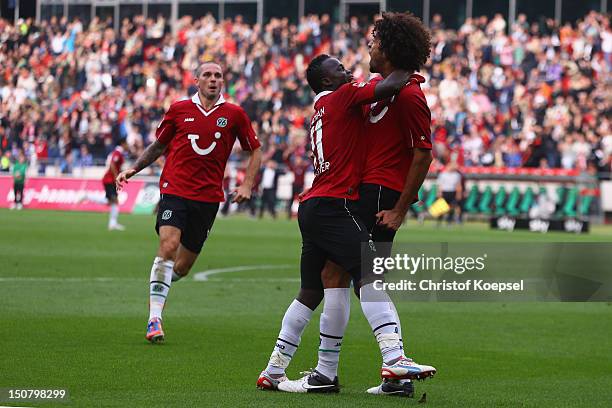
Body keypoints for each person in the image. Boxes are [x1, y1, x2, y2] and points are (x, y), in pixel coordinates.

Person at [257, 12, 436, 397]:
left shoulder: (407, 93)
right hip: (351, 195)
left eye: (373, 42)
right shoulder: (363, 90)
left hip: (375, 196)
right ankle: (356, 372)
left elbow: (423, 153)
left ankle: (386, 364)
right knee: (337, 278)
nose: (364, 51)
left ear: (389, 48)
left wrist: (402, 208)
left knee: (349, 278)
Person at [116, 62, 262, 344]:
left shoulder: (234, 114)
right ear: (196, 80)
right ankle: (154, 318)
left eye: (218, 75)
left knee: (181, 267)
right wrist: (134, 169)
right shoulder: (178, 109)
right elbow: (159, 146)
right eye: (207, 75)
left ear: (223, 82)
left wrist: (246, 184)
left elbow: (255, 150)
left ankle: (160, 281)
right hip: (175, 190)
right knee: (168, 245)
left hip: (207, 199)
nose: (213, 79)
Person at [79, 138, 129, 230]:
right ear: (122, 143)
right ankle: (112, 224)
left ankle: (112, 223)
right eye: (126, 143)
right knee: (114, 200)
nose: (128, 145)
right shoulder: (117, 153)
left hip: (110, 179)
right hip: (109, 180)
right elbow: (112, 164)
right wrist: (115, 177)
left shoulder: (119, 153)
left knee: (111, 201)